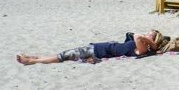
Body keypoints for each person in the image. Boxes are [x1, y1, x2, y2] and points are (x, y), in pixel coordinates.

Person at [16, 30, 163, 65]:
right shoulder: (142, 46)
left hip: (97, 51)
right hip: (97, 48)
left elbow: (137, 36)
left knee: (65, 55)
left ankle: (32, 61)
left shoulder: (142, 49)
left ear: (152, 41)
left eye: (151, 34)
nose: (147, 33)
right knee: (66, 54)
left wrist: (153, 44)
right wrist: (150, 39)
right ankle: (36, 58)